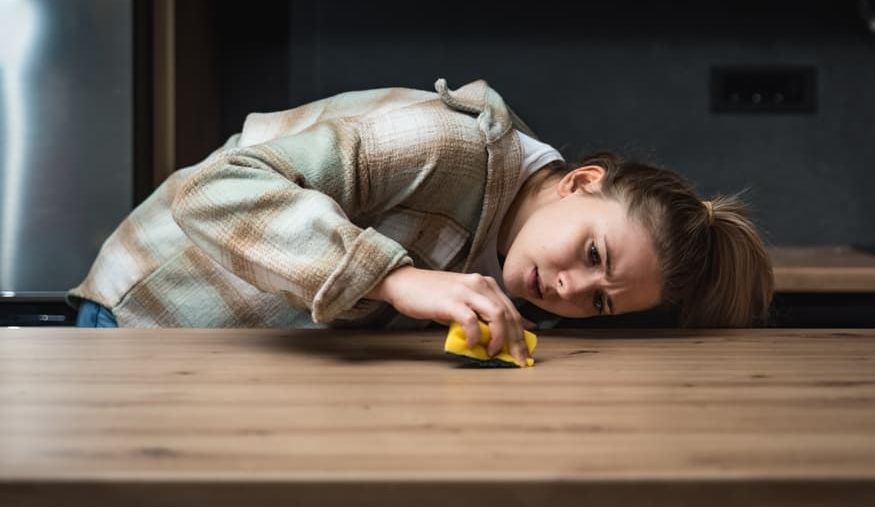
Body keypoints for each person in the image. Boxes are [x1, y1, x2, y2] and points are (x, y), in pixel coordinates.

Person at [69, 78, 775, 364]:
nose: (567, 288)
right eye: (593, 254)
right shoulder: (445, 144)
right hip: (144, 324)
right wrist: (401, 281)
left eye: (600, 300)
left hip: (244, 363)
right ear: (582, 181)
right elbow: (210, 192)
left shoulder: (517, 265)